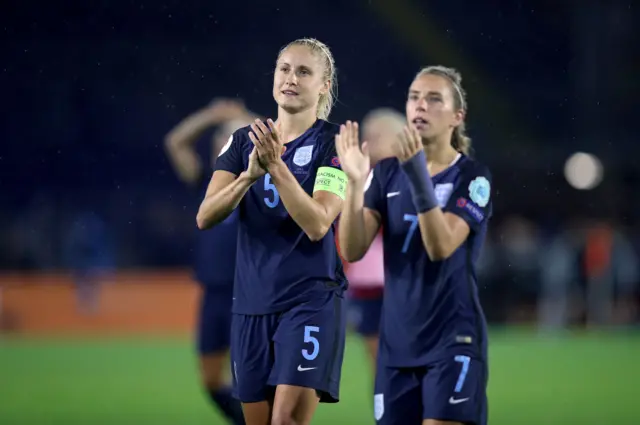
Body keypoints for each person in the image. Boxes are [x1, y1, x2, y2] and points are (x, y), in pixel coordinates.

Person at [196, 38, 347, 425]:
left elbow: (317, 224)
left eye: (303, 71)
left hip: (310, 302)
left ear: (324, 84)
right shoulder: (242, 140)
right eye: (284, 69)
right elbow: (206, 216)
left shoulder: (335, 145)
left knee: (286, 420)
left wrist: (276, 169)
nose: (291, 78)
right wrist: (249, 175)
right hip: (250, 306)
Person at [337, 65, 492, 425]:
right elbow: (352, 249)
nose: (421, 105)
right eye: (414, 97)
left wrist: (418, 174)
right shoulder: (387, 173)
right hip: (396, 347)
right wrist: (355, 185)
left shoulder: (472, 176)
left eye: (434, 99)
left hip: (453, 341)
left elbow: (440, 246)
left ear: (457, 116)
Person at [165, 98, 258, 425]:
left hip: (248, 292)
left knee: (247, 378)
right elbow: (174, 142)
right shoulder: (207, 182)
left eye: (233, 139)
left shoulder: (260, 184)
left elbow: (282, 137)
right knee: (210, 380)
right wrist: (211, 115)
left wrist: (243, 119)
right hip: (213, 292)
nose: (224, 145)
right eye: (221, 138)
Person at [344, 108, 404, 372]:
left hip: (401, 282)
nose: (368, 142)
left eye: (377, 136)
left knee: (407, 358)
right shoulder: (359, 176)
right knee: (378, 363)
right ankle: (388, 410)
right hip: (367, 285)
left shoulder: (411, 176)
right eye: (366, 136)